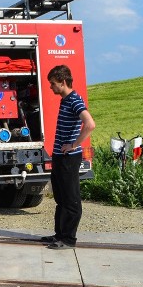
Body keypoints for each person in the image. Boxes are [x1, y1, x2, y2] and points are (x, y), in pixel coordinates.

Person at [41, 65, 95, 250]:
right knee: (61, 198)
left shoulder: (74, 100)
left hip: (69, 158)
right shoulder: (65, 100)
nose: (51, 87)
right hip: (59, 156)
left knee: (71, 198)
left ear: (63, 82)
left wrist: (74, 145)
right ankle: (60, 235)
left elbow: (90, 124)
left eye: (53, 83)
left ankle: (69, 239)